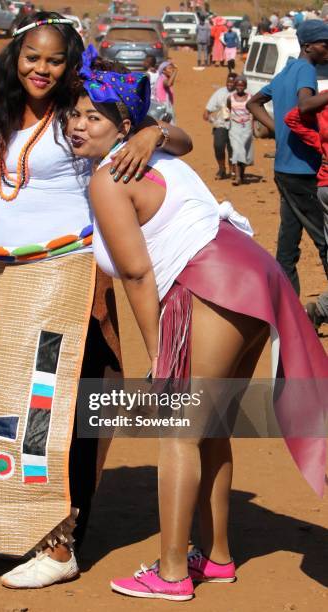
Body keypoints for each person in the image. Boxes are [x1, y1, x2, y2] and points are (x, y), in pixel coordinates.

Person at [0, 13, 192, 590]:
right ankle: (13, 526)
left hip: (63, 273)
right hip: (4, 276)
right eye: (33, 57)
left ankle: (60, 543)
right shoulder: (8, 115)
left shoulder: (81, 110)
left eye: (55, 60)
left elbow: (173, 138)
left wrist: (152, 133)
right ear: (16, 57)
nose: (42, 69)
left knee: (48, 403)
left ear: (70, 63)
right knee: (2, 403)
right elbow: (5, 188)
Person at [67, 48, 327, 602]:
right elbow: (177, 139)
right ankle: (218, 558)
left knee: (178, 428)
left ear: (123, 125)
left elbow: (137, 274)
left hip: (213, 282)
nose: (78, 124)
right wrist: (155, 132)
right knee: (209, 428)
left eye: (94, 116)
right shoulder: (149, 154)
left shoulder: (110, 178)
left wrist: (158, 352)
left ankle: (170, 573)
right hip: (251, 276)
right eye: (75, 114)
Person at [247, 20, 328, 295]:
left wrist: (277, 129)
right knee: (324, 240)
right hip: (304, 171)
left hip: (284, 169)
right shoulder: (306, 69)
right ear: (308, 46)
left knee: (288, 243)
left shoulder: (287, 70)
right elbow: (305, 105)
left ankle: (288, 310)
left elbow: (253, 102)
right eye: (324, 45)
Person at [284, 95, 328, 330]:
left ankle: (319, 311)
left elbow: (292, 118)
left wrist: (319, 142)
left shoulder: (323, 103)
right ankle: (320, 310)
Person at [203, 72, 236, 179]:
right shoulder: (219, 92)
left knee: (233, 149)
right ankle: (222, 168)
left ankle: (233, 171)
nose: (230, 84)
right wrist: (209, 116)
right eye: (228, 81)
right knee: (218, 146)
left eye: (232, 82)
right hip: (220, 124)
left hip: (235, 125)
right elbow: (208, 110)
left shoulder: (239, 93)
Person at [227, 75, 253, 185]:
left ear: (245, 86)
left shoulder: (250, 97)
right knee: (237, 150)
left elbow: (253, 111)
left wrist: (252, 125)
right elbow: (229, 108)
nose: (240, 87)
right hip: (234, 127)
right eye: (238, 85)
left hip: (246, 127)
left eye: (242, 85)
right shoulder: (230, 98)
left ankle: (242, 175)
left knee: (244, 152)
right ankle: (237, 177)